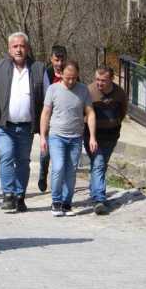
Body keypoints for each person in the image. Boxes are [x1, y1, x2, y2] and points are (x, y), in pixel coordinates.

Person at [0, 32, 46, 212]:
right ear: (9, 49)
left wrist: (45, 128)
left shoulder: (39, 69)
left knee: (23, 161)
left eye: (22, 46)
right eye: (15, 46)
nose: (19, 49)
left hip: (27, 126)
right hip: (4, 125)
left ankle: (20, 195)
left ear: (28, 48)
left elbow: (47, 99)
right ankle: (8, 194)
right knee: (6, 156)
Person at [40, 60, 97, 217]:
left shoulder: (83, 90)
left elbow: (90, 113)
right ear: (61, 75)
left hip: (76, 137)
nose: (71, 81)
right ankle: (56, 201)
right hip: (57, 136)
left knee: (71, 170)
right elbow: (45, 114)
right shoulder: (53, 89)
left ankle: (67, 203)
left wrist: (92, 137)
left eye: (74, 78)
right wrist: (43, 137)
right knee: (58, 167)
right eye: (67, 78)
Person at [84, 66, 127, 215]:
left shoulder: (120, 93)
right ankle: (99, 200)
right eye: (97, 79)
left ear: (111, 79)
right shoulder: (89, 91)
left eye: (103, 80)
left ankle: (95, 190)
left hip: (111, 135)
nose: (99, 83)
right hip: (92, 135)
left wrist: (113, 122)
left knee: (100, 165)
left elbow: (123, 111)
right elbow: (83, 112)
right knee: (99, 164)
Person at [38, 45, 68, 192]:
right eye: (56, 60)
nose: (59, 63)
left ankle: (59, 183)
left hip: (64, 120)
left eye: (62, 60)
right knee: (46, 153)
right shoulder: (46, 73)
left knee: (61, 155)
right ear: (51, 59)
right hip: (49, 119)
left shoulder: (70, 74)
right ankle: (43, 173)